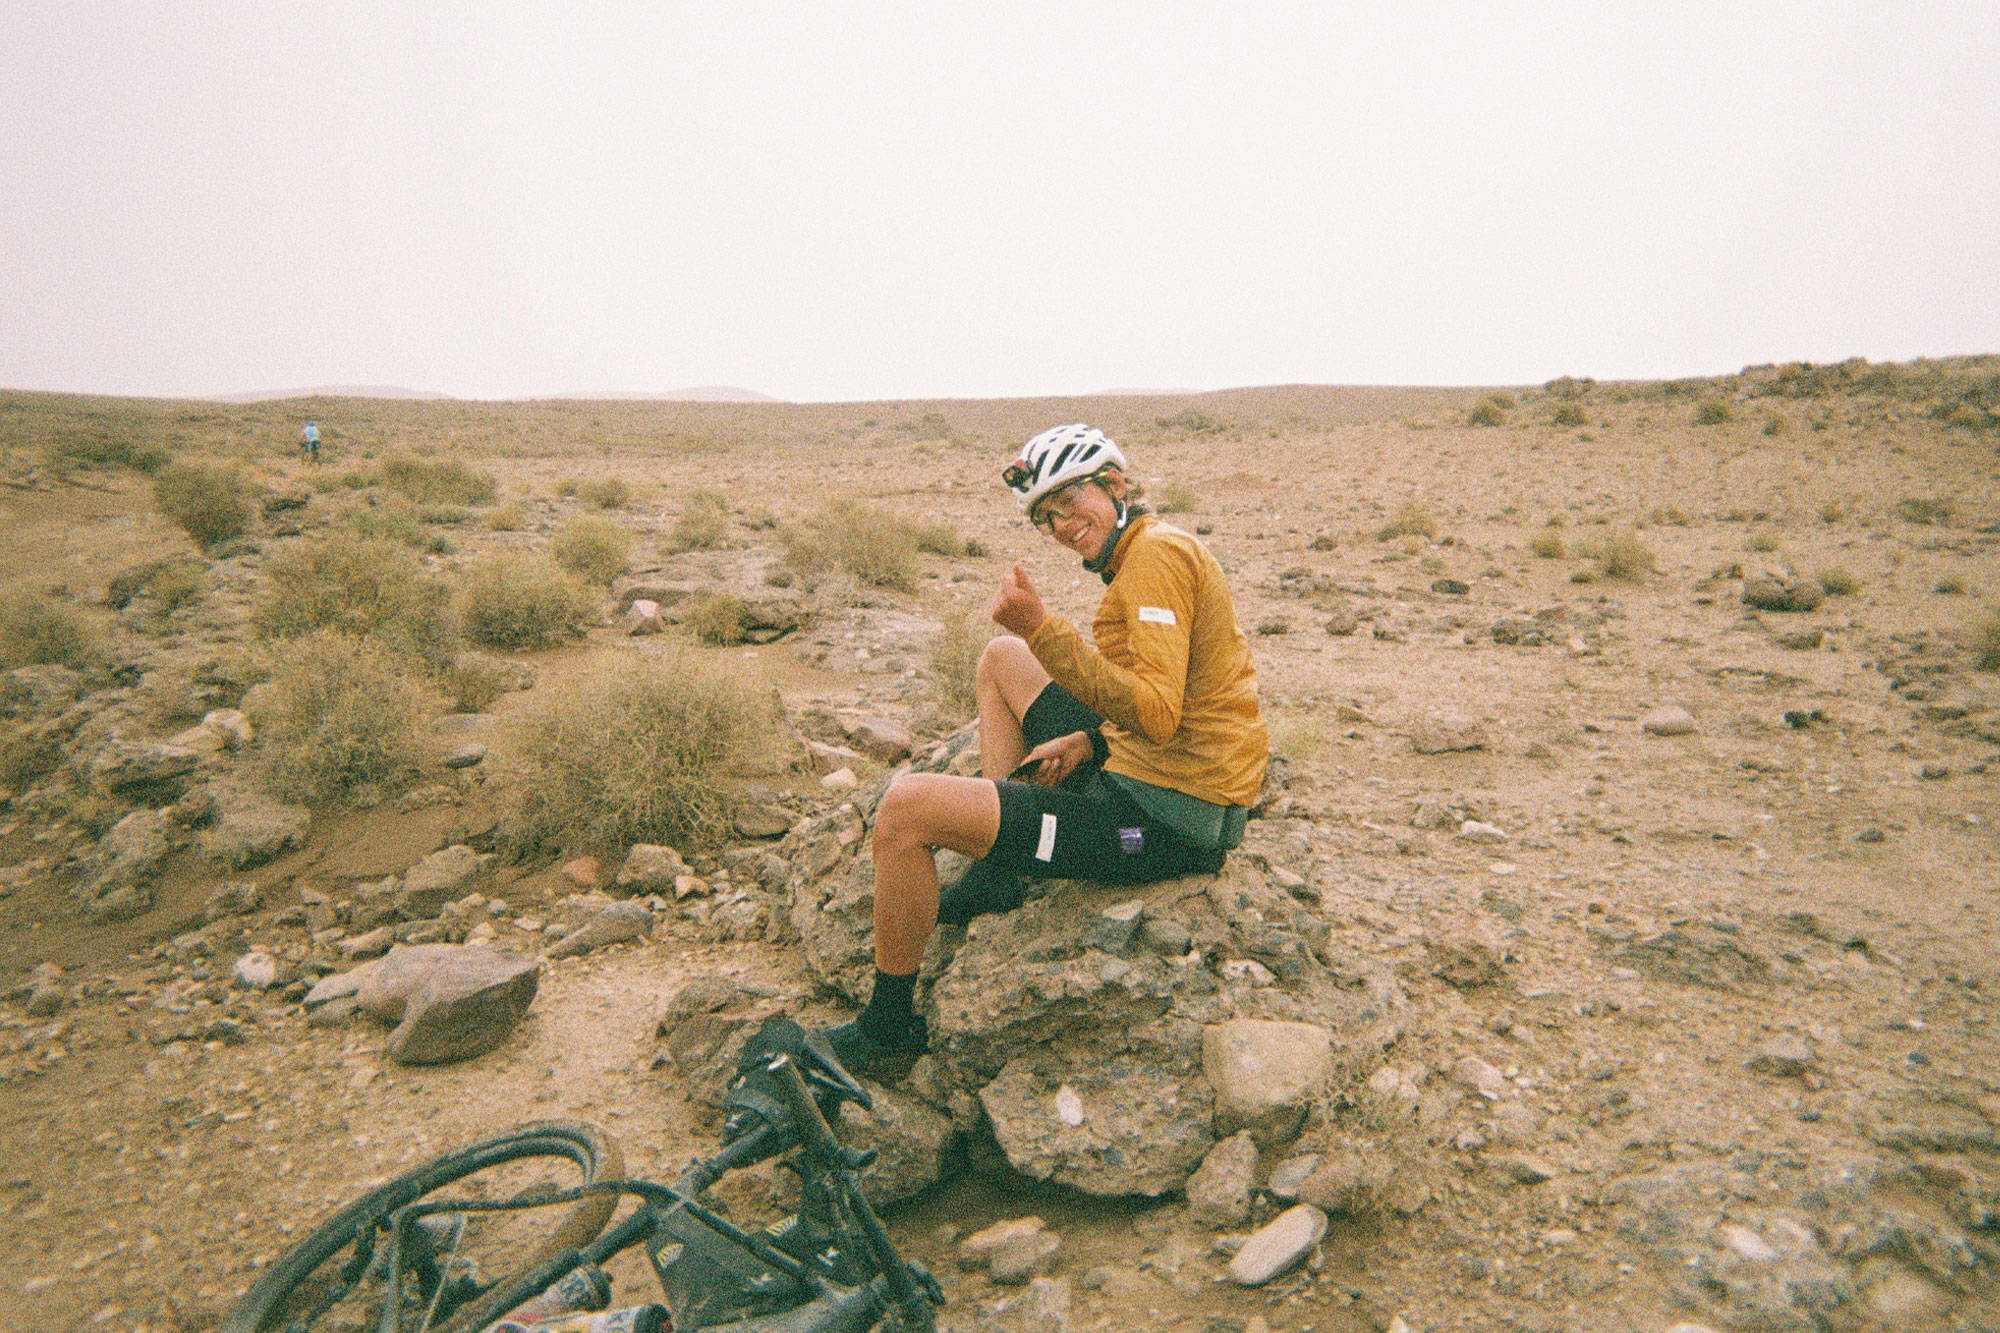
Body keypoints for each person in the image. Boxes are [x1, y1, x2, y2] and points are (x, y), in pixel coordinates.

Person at [822, 423, 1269, 1068]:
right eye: (1046, 515)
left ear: (1114, 485)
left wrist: (1042, 628)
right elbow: (1177, 700)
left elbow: (1158, 713)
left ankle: (887, 1026)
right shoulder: (1143, 550)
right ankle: (1005, 865)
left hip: (1157, 827)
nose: (1061, 525)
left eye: (1070, 501)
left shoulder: (1155, 558)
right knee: (1004, 657)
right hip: (1167, 779)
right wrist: (1091, 739)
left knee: (905, 810)